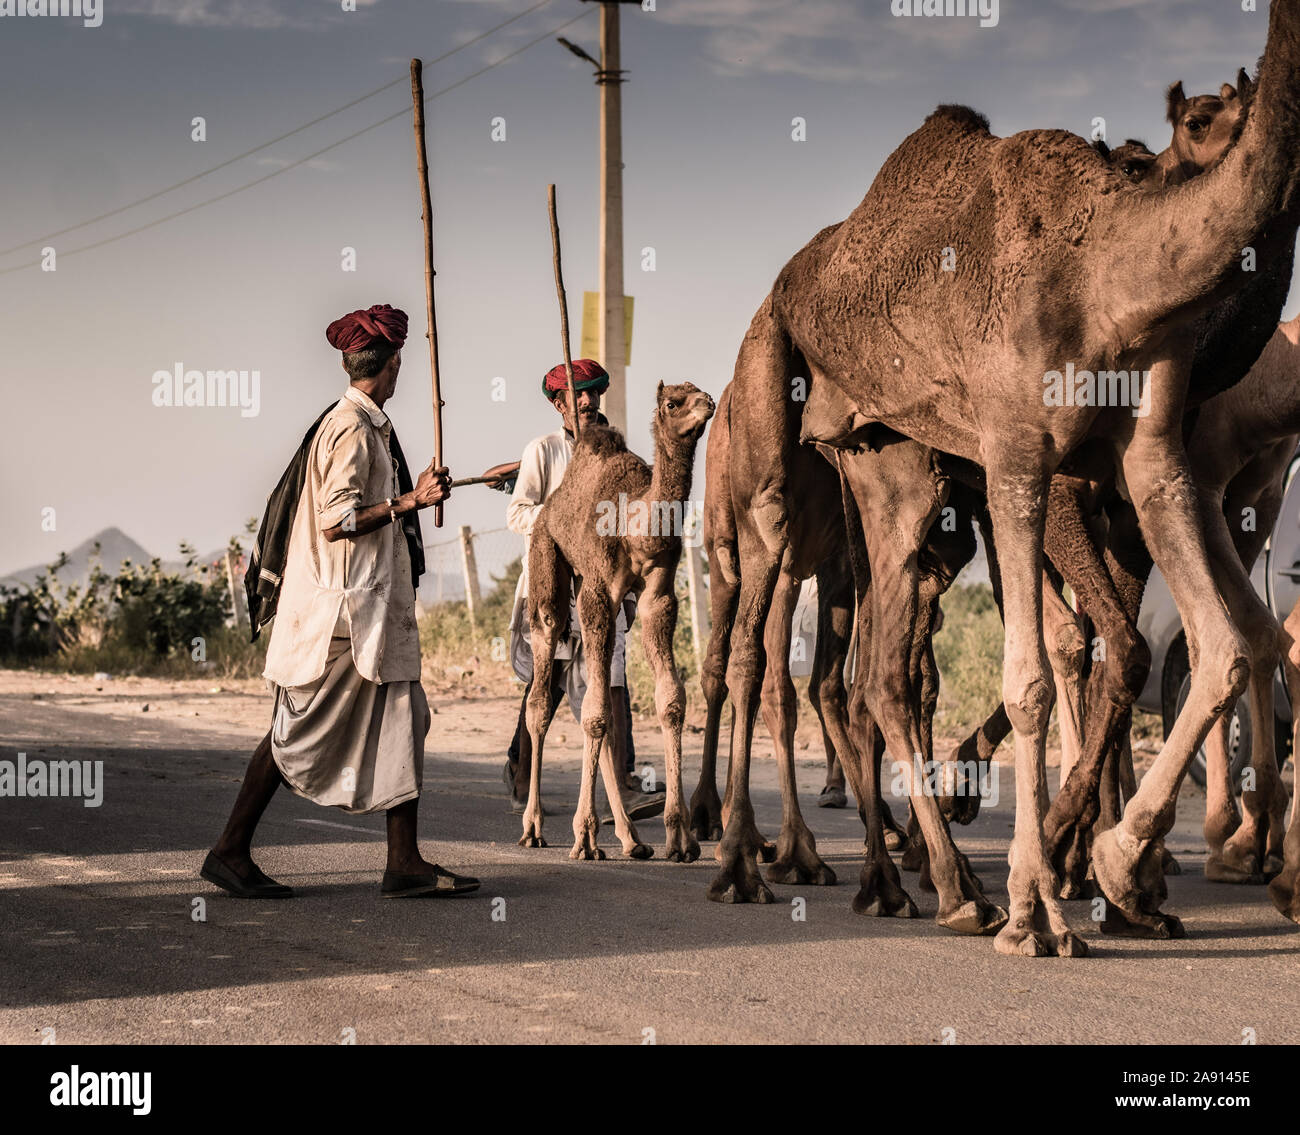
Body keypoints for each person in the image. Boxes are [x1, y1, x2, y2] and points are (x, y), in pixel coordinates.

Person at [202, 303, 479, 899]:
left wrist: (415, 491)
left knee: (407, 718)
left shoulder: (361, 422)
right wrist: (409, 502)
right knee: (293, 734)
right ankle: (228, 851)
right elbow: (336, 520)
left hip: (370, 615)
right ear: (393, 364)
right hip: (341, 618)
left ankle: (404, 862)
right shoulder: (352, 429)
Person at [503, 358, 663, 822]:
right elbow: (518, 514)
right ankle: (521, 770)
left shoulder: (615, 454)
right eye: (578, 395)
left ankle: (624, 784)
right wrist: (566, 523)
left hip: (604, 581)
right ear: (560, 404)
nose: (588, 401)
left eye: (593, 393)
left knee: (612, 677)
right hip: (553, 579)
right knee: (547, 678)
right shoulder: (543, 451)